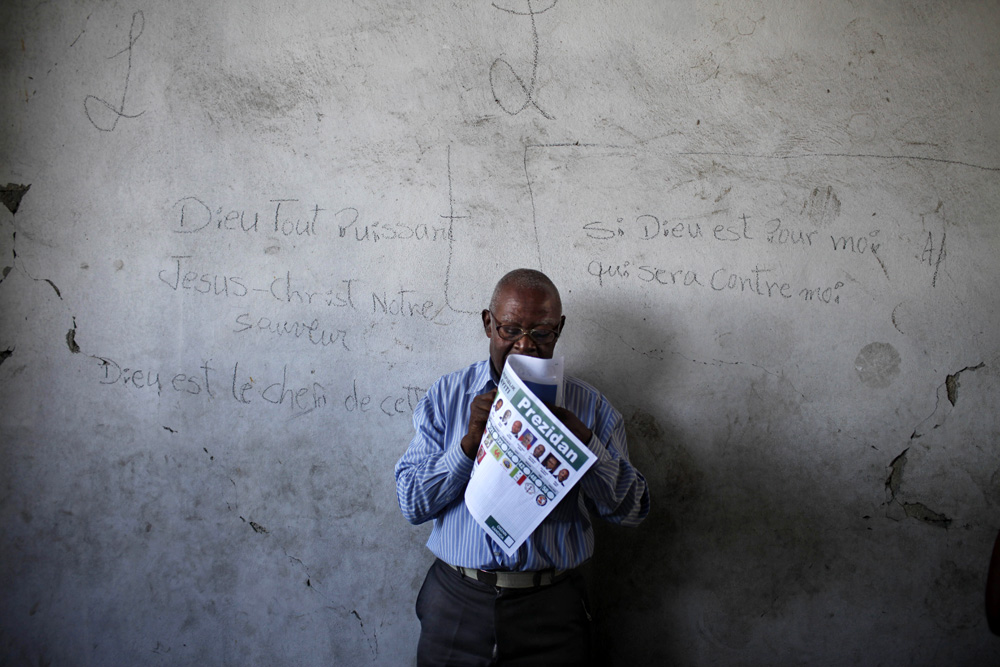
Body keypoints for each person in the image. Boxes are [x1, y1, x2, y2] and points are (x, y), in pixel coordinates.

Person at [394, 268, 650, 666]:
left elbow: (632, 511)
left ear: (559, 329)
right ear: (487, 324)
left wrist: (587, 449)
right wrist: (466, 447)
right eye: (510, 329)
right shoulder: (446, 397)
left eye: (542, 332)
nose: (525, 345)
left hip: (550, 608)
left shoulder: (591, 408)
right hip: (456, 601)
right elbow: (411, 504)